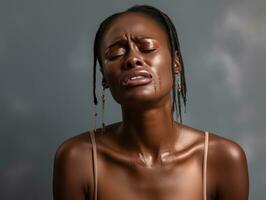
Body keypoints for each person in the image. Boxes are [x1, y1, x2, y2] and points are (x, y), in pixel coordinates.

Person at [53, 5, 249, 200]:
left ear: (176, 62)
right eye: (115, 54)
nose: (132, 59)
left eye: (147, 47)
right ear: (104, 77)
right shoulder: (78, 160)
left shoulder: (223, 159)